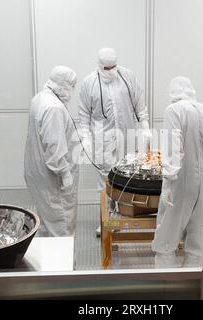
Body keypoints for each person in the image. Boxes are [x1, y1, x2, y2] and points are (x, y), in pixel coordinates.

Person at [79, 48, 150, 236]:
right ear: (99, 65)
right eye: (107, 67)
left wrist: (144, 125)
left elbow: (139, 102)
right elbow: (84, 112)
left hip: (126, 136)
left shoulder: (127, 77)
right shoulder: (89, 83)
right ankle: (106, 218)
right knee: (104, 179)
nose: (111, 70)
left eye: (113, 66)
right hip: (102, 139)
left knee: (126, 177)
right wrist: (85, 136)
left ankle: (122, 215)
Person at [151, 77, 203, 268]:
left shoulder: (173, 110)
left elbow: (172, 147)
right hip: (200, 179)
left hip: (180, 179)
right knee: (196, 234)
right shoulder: (201, 110)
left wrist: (167, 181)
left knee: (167, 232)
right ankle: (195, 278)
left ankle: (167, 281)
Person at [24, 66, 79, 237]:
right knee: (61, 226)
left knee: (47, 224)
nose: (72, 91)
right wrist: (65, 175)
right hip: (53, 180)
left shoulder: (39, 99)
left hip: (39, 176)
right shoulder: (54, 108)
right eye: (71, 86)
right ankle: (63, 264)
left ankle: (49, 262)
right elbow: (54, 148)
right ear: (62, 85)